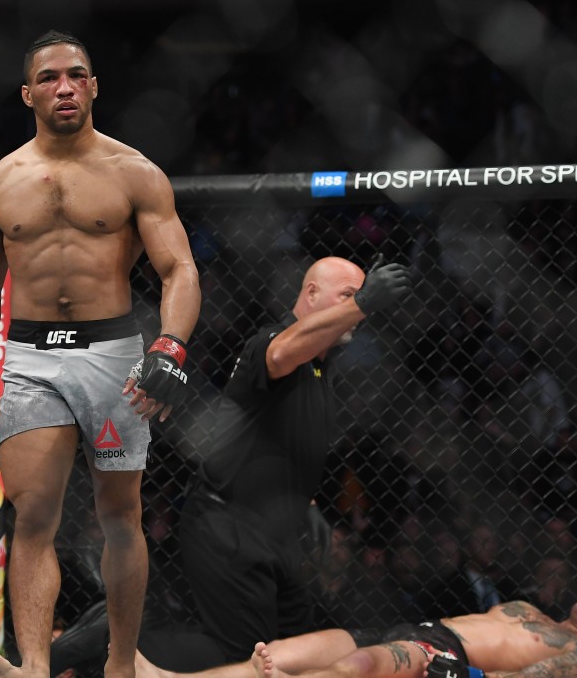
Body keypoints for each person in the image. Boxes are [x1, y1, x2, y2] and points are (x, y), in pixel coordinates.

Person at [0, 30, 200, 678]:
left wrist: (170, 349)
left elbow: (179, 269)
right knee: (31, 514)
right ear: (28, 92)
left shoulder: (135, 173)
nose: (66, 86)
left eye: (77, 75)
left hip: (113, 355)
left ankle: (122, 664)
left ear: (93, 86)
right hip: (31, 357)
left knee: (121, 513)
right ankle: (34, 667)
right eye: (51, 76)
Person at [177, 254, 413, 663]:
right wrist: (365, 302)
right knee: (239, 654)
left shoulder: (322, 369)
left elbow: (275, 446)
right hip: (228, 524)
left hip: (273, 532)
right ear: (311, 293)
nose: (357, 310)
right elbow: (281, 354)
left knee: (299, 646)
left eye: (361, 298)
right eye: (347, 296)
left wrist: (305, 504)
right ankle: (120, 644)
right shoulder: (273, 341)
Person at [134, 594, 577, 678]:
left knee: (352, 670)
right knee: (269, 658)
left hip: (436, 656)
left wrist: (465, 674)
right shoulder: (531, 608)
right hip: (413, 633)